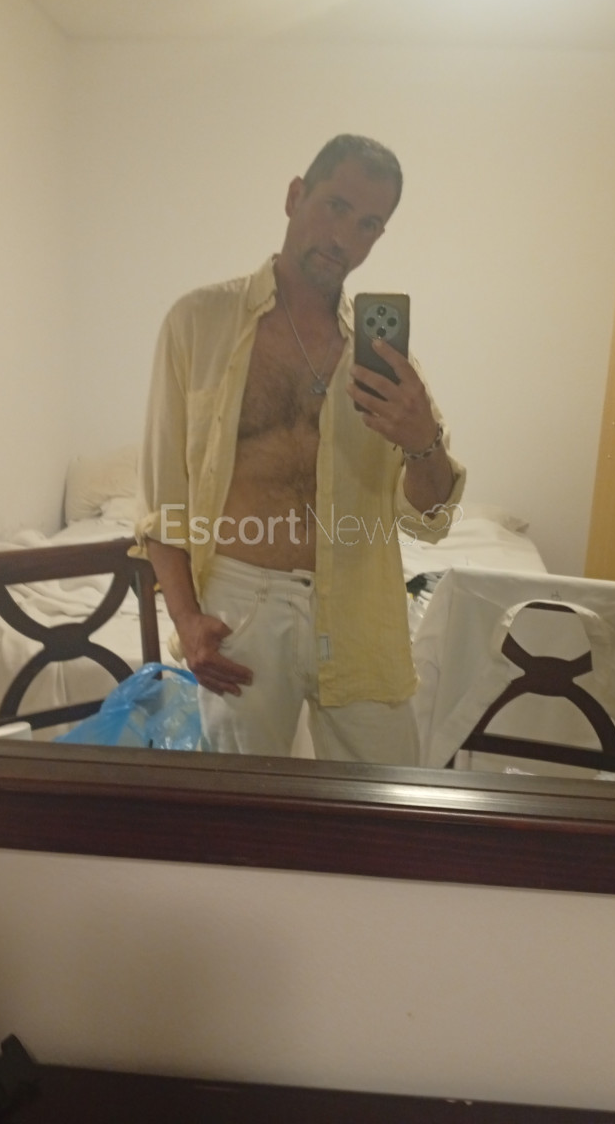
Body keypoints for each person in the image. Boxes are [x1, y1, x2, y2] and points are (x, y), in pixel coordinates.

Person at [135, 135, 465, 763]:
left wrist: (423, 440)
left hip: (360, 604)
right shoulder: (199, 324)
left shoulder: (386, 359)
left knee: (388, 794)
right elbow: (161, 499)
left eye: (369, 224)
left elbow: (430, 517)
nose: (345, 237)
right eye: (336, 206)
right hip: (241, 604)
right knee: (246, 802)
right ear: (295, 196)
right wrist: (186, 620)